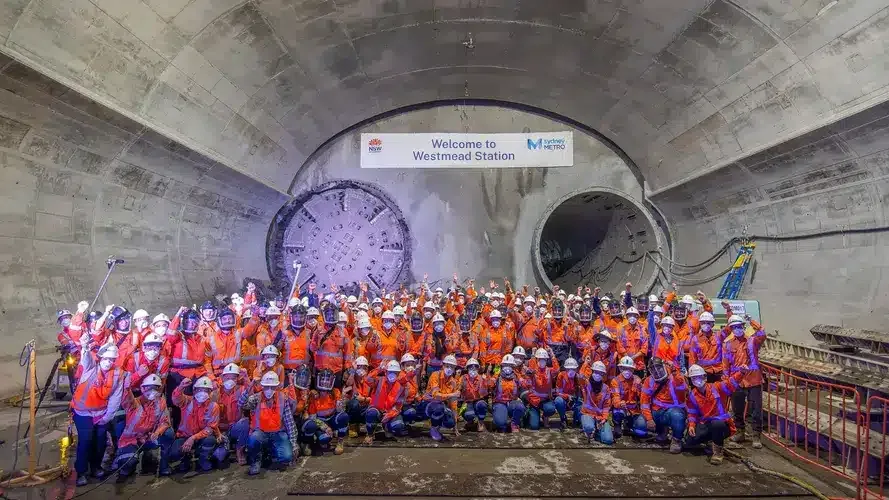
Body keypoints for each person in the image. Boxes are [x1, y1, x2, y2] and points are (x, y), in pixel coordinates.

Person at [71, 338, 126, 487]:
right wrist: (85, 348)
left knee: (100, 441)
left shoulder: (116, 375)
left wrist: (108, 416)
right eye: (106, 359)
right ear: (100, 358)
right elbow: (86, 359)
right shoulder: (90, 369)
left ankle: (95, 467)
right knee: (86, 440)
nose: (108, 362)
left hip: (101, 413)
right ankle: (81, 472)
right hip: (83, 413)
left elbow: (116, 396)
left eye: (111, 360)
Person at [111, 374, 173, 481]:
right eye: (149, 387)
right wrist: (127, 387)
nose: (152, 390)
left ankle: (164, 466)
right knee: (129, 463)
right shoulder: (134, 403)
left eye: (156, 387)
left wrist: (157, 433)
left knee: (168, 433)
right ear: (142, 388)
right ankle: (123, 465)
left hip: (149, 438)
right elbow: (127, 397)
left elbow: (165, 422)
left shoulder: (160, 402)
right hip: (131, 440)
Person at [685, 364, 747, 465]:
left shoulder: (716, 387)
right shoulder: (693, 395)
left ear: (705, 377)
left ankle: (718, 452)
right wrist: (692, 425)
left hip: (721, 423)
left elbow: (731, 383)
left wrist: (741, 373)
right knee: (690, 441)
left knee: (716, 424)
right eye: (694, 378)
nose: (697, 380)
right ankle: (711, 440)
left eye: (699, 377)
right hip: (706, 423)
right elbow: (692, 413)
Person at [240, 371, 298, 474]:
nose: (269, 390)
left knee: (286, 457)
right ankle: (256, 461)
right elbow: (241, 404)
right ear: (262, 386)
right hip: (260, 433)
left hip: (277, 433)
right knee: (253, 440)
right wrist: (250, 385)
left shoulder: (282, 398)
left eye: (272, 387)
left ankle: (270, 453)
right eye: (266, 387)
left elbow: (289, 422)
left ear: (276, 387)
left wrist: (293, 443)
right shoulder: (255, 398)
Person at [723, 313, 767, 449]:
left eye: (740, 326)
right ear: (731, 329)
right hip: (737, 380)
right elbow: (726, 364)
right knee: (737, 408)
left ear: (743, 326)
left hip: (753, 379)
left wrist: (751, 321)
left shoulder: (753, 340)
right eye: (734, 327)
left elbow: (762, 333)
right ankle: (740, 432)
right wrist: (727, 380)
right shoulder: (728, 345)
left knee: (756, 410)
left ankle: (756, 435)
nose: (738, 329)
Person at [169, 376, 219, 475]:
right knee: (174, 453)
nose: (202, 392)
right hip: (184, 436)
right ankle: (185, 459)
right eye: (200, 389)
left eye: (206, 390)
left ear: (210, 392)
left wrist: (193, 438)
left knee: (210, 440)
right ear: (194, 390)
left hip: (201, 438)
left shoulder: (213, 406)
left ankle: (203, 458)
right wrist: (181, 387)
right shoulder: (187, 401)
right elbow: (176, 399)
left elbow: (210, 428)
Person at [640, 358, 687, 453]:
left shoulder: (674, 377)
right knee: (641, 425)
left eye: (659, 367)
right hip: (658, 411)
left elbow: (683, 387)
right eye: (653, 369)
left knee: (676, 416)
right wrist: (649, 419)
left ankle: (676, 439)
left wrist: (675, 371)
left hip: (675, 410)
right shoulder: (649, 381)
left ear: (664, 366)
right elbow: (644, 402)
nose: (657, 371)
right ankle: (662, 432)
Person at [303, 369, 349, 455]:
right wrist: (325, 427)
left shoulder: (336, 392)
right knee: (323, 439)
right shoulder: (313, 395)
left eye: (328, 379)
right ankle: (308, 443)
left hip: (332, 419)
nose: (325, 381)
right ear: (318, 380)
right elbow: (313, 418)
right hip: (320, 421)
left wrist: (342, 400)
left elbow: (340, 411)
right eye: (322, 379)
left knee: (344, 416)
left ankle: (340, 442)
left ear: (332, 381)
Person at [364, 360, 406, 445]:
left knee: (398, 425)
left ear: (398, 374)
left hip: (389, 412)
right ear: (386, 372)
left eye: (395, 372)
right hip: (376, 409)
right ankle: (370, 434)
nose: (392, 374)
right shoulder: (379, 380)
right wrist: (379, 369)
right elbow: (368, 379)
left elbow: (398, 406)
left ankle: (386, 427)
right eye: (390, 372)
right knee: (371, 414)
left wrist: (389, 415)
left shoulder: (401, 387)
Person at [217, 363, 251, 465]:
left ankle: (239, 452)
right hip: (220, 431)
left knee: (245, 422)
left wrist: (246, 378)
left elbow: (252, 394)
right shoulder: (215, 393)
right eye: (227, 377)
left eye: (233, 378)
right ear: (222, 378)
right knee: (218, 457)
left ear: (237, 379)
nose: (230, 380)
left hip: (235, 427)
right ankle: (225, 448)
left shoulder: (240, 390)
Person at [423, 354, 460, 440]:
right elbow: (436, 395)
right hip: (428, 403)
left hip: (441, 405)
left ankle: (437, 424)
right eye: (447, 366)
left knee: (451, 422)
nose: (449, 369)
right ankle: (434, 428)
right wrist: (451, 395)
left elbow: (453, 405)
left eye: (452, 367)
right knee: (438, 408)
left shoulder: (453, 382)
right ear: (443, 366)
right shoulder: (435, 375)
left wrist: (455, 426)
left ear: (454, 369)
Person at [489, 354, 526, 433]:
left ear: (513, 366)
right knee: (500, 423)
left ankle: (514, 423)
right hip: (500, 402)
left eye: (510, 365)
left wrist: (526, 374)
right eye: (505, 365)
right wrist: (492, 374)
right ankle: (500, 420)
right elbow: (489, 384)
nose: (507, 367)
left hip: (512, 402)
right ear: (502, 365)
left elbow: (526, 384)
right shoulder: (498, 376)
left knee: (520, 406)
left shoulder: (516, 376)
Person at [579, 361, 613, 444]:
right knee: (589, 427)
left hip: (600, 417)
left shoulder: (606, 388)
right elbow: (580, 376)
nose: (598, 375)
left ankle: (597, 432)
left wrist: (604, 419)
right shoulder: (586, 383)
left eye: (600, 373)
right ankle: (589, 430)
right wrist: (586, 363)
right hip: (587, 414)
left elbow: (606, 406)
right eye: (596, 372)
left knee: (608, 440)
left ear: (603, 375)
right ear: (592, 372)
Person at [611, 356, 646, 438]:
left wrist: (640, 387)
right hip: (621, 409)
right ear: (620, 369)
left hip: (634, 411)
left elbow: (643, 397)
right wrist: (619, 403)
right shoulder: (615, 381)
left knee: (641, 432)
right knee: (617, 413)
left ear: (633, 370)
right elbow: (615, 398)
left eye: (629, 369)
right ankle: (617, 425)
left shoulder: (637, 380)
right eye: (624, 368)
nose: (627, 371)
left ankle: (629, 425)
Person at [525, 348, 559, 431]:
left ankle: (545, 416)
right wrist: (533, 354)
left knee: (550, 409)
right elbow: (531, 369)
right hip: (535, 400)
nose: (542, 361)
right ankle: (530, 413)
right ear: (537, 360)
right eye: (540, 359)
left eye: (544, 359)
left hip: (546, 400)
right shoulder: (533, 371)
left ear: (547, 360)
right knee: (534, 426)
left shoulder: (549, 371)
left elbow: (557, 369)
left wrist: (552, 354)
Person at [687, 312, 724, 383]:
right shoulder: (695, 339)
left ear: (713, 324)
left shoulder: (718, 336)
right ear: (700, 324)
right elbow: (692, 357)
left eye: (708, 323)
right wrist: (692, 373)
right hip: (703, 371)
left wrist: (728, 310)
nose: (706, 325)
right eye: (703, 323)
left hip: (718, 371)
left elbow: (729, 329)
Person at [459, 358, 488, 432]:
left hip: (478, 401)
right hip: (467, 402)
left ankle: (480, 422)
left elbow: (484, 393)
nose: (473, 370)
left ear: (478, 369)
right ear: (467, 369)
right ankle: (470, 421)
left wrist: (484, 382)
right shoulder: (463, 378)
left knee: (482, 405)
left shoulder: (482, 378)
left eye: (475, 368)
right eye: (471, 368)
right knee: (469, 415)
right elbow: (457, 389)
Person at [554, 357, 582, 430]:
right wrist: (567, 396)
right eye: (569, 369)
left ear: (576, 369)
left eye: (573, 369)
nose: (571, 371)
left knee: (581, 404)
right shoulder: (561, 375)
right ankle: (563, 418)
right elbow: (558, 392)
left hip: (574, 399)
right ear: (566, 369)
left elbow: (581, 391)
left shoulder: (577, 377)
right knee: (558, 401)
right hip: (563, 399)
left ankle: (576, 420)